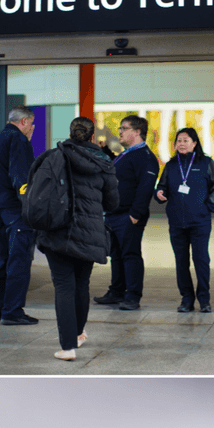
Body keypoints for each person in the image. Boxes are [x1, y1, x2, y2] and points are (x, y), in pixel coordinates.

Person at [35, 117, 119, 360]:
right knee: (81, 284)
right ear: (92, 136)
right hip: (89, 232)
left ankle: (68, 346)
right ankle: (79, 334)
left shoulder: (54, 156)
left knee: (63, 286)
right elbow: (113, 203)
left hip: (57, 229)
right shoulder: (104, 163)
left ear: (71, 133)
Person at [155, 128, 214, 313]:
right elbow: (161, 187)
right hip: (177, 222)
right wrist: (159, 193)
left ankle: (204, 299)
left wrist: (208, 205)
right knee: (181, 262)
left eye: (186, 140)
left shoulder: (206, 163)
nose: (181, 144)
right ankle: (186, 299)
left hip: (200, 222)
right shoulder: (170, 166)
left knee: (201, 260)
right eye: (179, 141)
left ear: (194, 143)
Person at [93, 115, 159, 311]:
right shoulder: (127, 154)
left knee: (130, 255)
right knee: (117, 255)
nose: (120, 131)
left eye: (124, 128)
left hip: (129, 215)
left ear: (137, 132)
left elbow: (145, 188)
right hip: (115, 214)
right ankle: (116, 292)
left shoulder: (145, 157)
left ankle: (132, 296)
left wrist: (135, 214)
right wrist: (106, 151)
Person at [0, 106, 38, 325]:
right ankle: (12, 311)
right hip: (15, 209)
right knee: (19, 259)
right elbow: (21, 176)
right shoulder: (18, 140)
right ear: (24, 121)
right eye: (31, 124)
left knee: (4, 260)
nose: (31, 129)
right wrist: (30, 207)